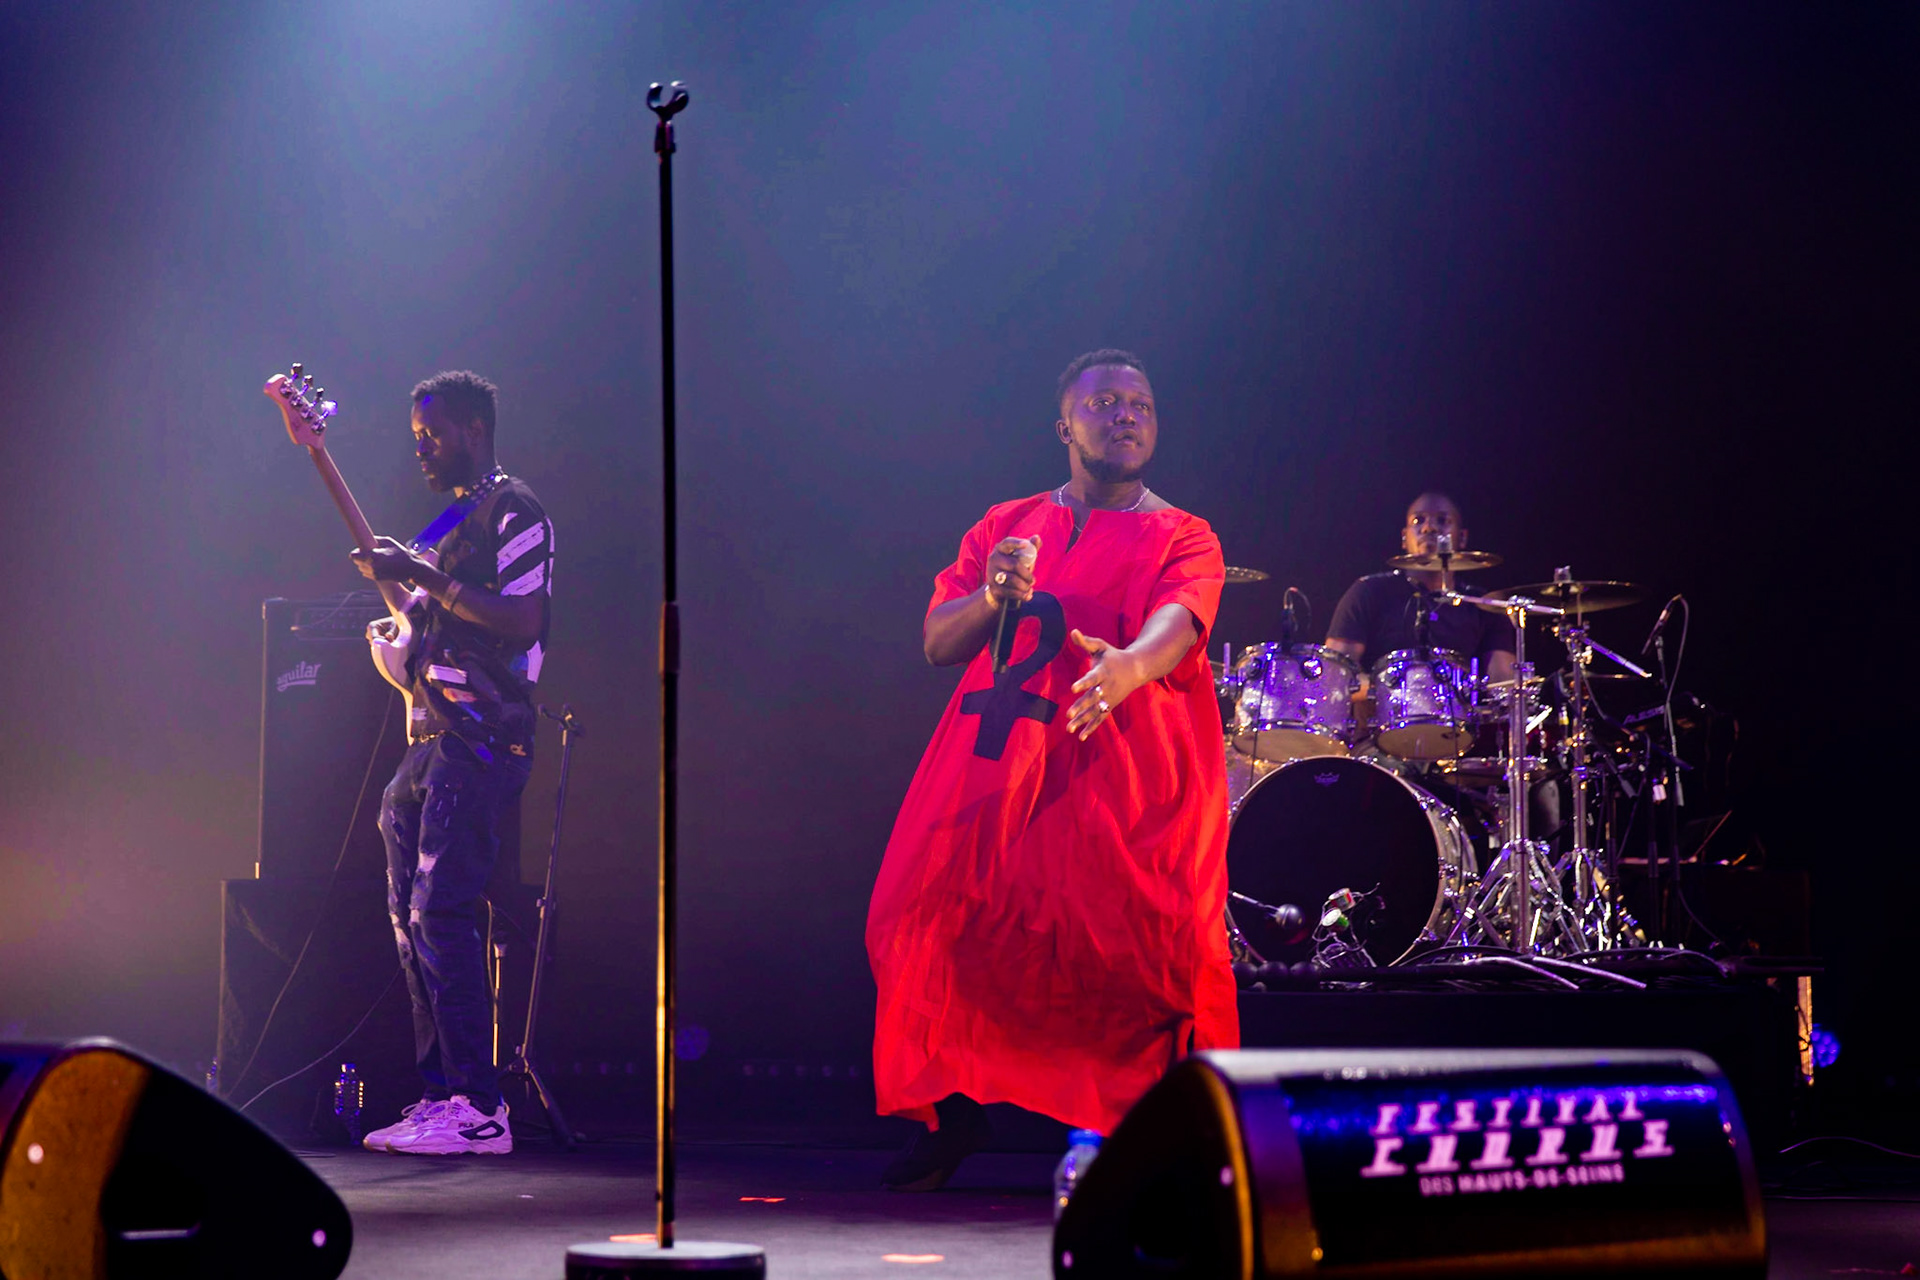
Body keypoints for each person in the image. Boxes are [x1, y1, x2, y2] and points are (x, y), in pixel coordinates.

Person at [866, 350, 1238, 1191]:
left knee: (1129, 955)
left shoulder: (1184, 533)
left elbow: (1181, 619)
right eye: (1103, 402)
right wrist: (993, 597)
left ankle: (1153, 1135)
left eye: (1140, 402)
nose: (1125, 414)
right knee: (915, 915)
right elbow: (938, 641)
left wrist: (1131, 668)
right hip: (997, 766)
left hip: (1122, 772)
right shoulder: (1008, 523)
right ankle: (952, 1113)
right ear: (1064, 426)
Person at [349, 371, 554, 1156]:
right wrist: (401, 605)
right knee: (409, 916)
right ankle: (441, 1096)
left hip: (484, 735)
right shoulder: (448, 520)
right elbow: (433, 620)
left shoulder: (516, 510)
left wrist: (426, 577)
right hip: (433, 736)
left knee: (442, 909)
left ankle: (480, 1106)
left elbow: (522, 615)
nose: (422, 451)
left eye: (430, 436)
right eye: (414, 440)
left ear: (473, 428)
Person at [1324, 491, 1516, 686]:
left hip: (1459, 714)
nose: (1429, 528)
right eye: (1418, 521)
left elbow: (1502, 682)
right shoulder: (1368, 592)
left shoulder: (1484, 605)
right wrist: (1384, 693)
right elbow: (1335, 672)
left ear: (1462, 537)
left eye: (1442, 521)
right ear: (1404, 537)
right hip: (1383, 712)